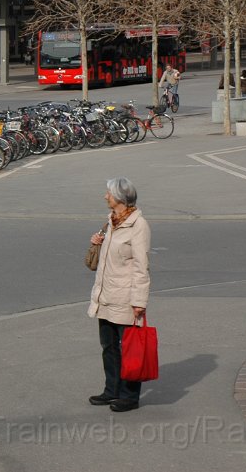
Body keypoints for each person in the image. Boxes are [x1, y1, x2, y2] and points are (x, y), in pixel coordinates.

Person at [87, 177, 151, 413]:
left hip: (126, 297)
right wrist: (98, 243)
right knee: (109, 346)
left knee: (130, 349)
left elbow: (141, 266)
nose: (105, 196)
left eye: (108, 193)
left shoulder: (138, 226)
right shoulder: (111, 222)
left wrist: (139, 302)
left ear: (120, 199)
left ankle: (129, 396)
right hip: (106, 294)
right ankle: (111, 390)